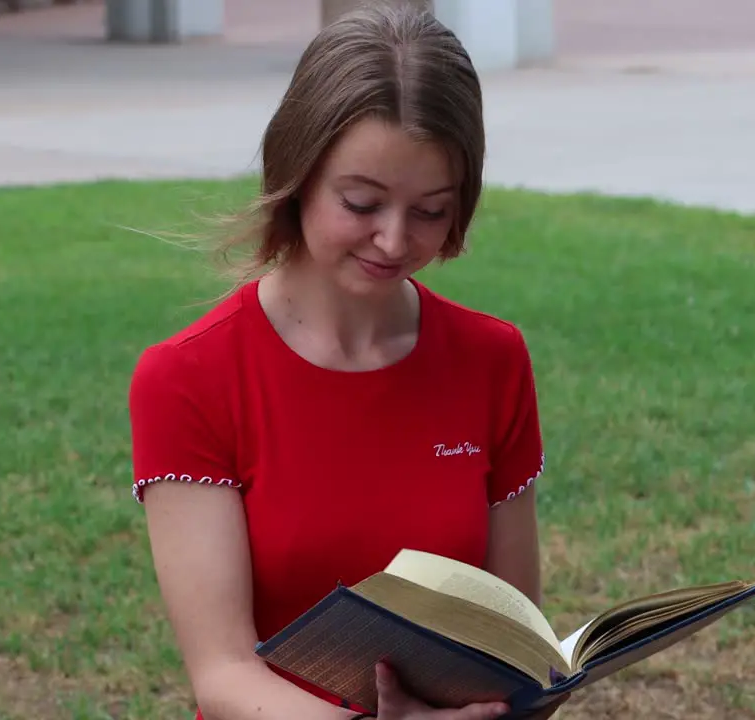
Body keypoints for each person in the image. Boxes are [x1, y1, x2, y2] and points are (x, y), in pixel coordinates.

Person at [126, 4, 567, 719]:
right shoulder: (188, 378)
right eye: (361, 202)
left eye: (430, 211)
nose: (393, 240)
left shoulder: (492, 359)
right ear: (298, 173)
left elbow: (518, 649)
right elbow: (223, 673)